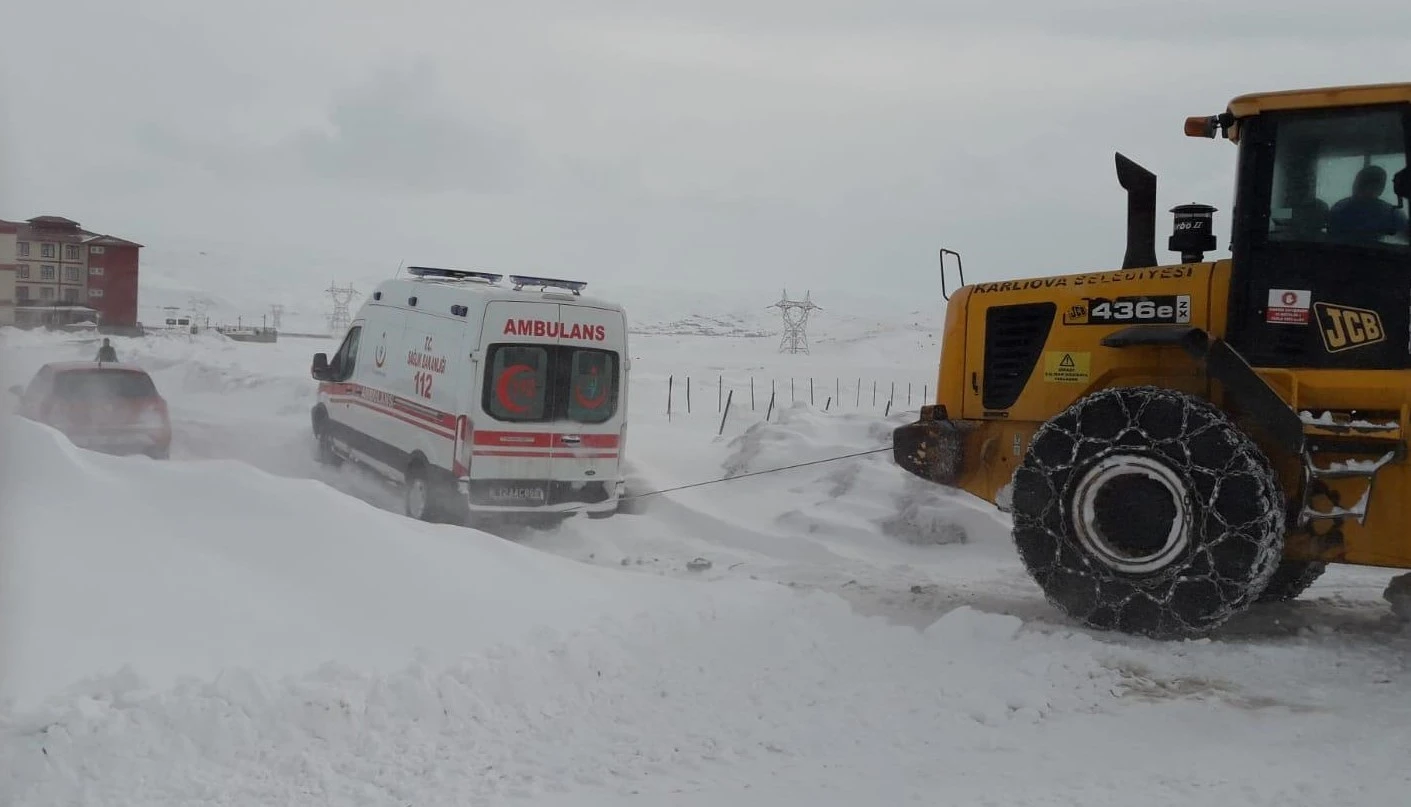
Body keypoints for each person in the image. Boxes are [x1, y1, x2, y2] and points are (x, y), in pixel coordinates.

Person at [1326, 164, 1409, 245]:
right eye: (1360, 183)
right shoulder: (1393, 214)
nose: (1359, 187)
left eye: (1369, 184)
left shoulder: (1394, 215)